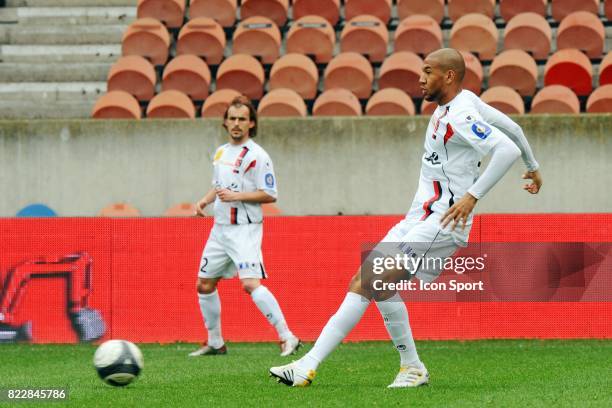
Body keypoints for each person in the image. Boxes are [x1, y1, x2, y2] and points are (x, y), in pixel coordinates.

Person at [269, 48, 542, 387]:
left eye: (428, 71)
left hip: (443, 222)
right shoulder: (463, 102)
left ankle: (308, 365)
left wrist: (473, 196)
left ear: (449, 76)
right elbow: (512, 127)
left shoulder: (461, 114)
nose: (420, 78)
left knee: (367, 281)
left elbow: (506, 149)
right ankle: (411, 368)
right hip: (419, 217)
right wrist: (533, 167)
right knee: (376, 284)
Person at [189, 96, 301, 357]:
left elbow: (270, 194)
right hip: (220, 229)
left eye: (242, 119)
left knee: (250, 284)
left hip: (245, 229)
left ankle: (288, 337)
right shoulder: (220, 152)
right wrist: (204, 201)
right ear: (225, 123)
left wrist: (237, 196)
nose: (236, 123)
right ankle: (215, 342)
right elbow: (219, 186)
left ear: (251, 123)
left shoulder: (258, 156)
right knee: (204, 285)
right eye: (232, 119)